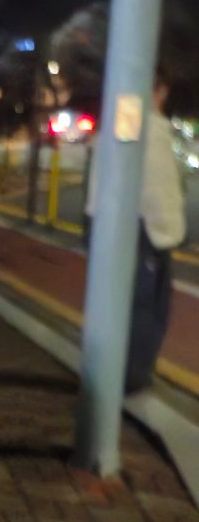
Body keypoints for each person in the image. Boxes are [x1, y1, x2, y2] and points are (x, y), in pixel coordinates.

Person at [86, 74, 186, 392]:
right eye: (162, 90)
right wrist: (168, 233)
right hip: (141, 231)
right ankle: (131, 378)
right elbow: (155, 189)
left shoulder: (122, 116)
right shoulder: (145, 124)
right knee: (147, 307)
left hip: (110, 224)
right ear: (159, 89)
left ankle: (112, 373)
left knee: (117, 304)